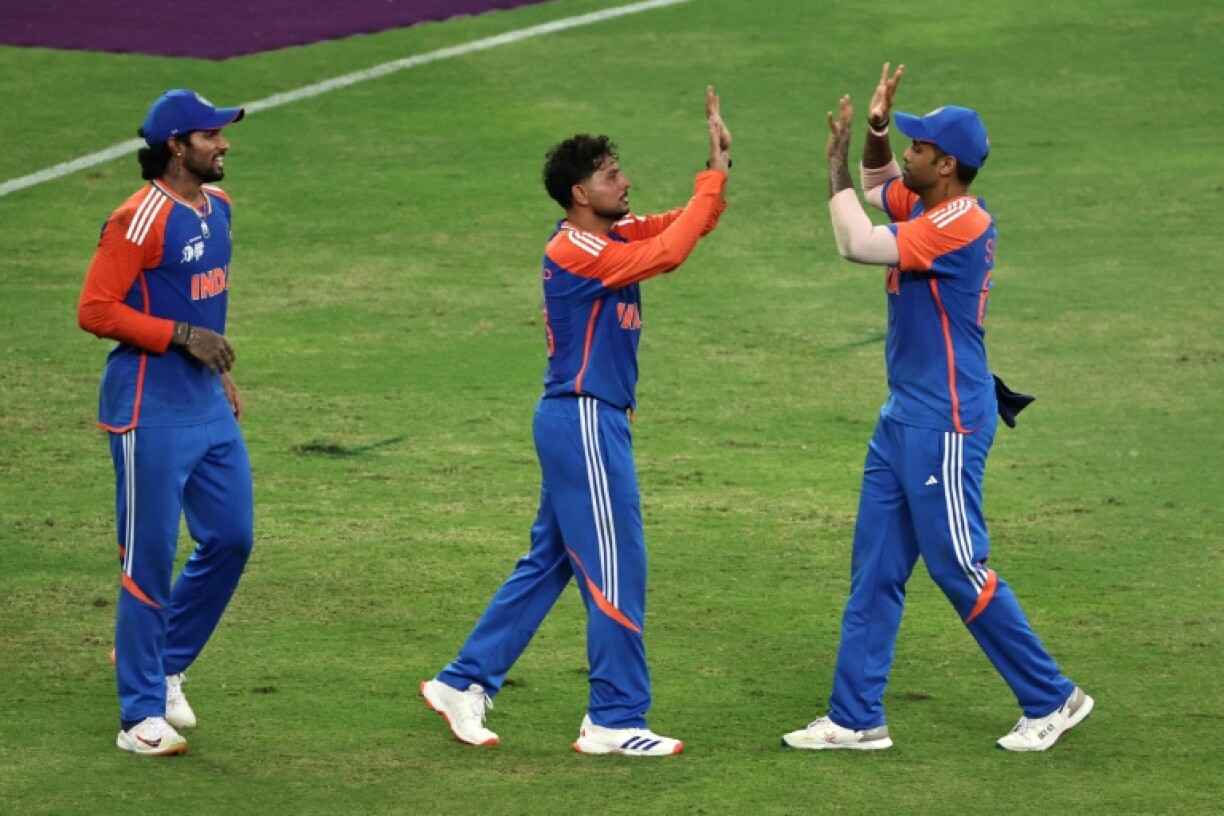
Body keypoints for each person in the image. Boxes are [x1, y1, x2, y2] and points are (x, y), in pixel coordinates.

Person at [781, 64, 1092, 752]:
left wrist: (831, 167)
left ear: (945, 166)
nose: (908, 154)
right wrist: (876, 130)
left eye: (919, 147)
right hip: (904, 419)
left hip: (946, 423)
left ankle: (1053, 697)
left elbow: (854, 240)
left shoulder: (957, 222)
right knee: (876, 569)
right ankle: (856, 717)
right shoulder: (927, 203)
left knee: (958, 566)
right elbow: (874, 183)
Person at [421, 87, 731, 757]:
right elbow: (669, 254)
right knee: (617, 565)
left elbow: (683, 226)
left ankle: (462, 680)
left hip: (585, 421)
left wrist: (717, 172)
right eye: (610, 174)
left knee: (550, 563)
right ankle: (615, 718)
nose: (624, 180)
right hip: (585, 420)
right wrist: (708, 185)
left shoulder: (611, 233)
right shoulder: (574, 251)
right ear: (579, 193)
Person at [77, 89, 254, 757]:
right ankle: (139, 716)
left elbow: (202, 306)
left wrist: (217, 365)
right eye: (212, 134)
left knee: (232, 537)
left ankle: (168, 662)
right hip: (147, 408)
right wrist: (182, 336)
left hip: (205, 402)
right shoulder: (136, 218)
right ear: (177, 147)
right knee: (147, 557)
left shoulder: (220, 207)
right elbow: (95, 310)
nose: (224, 144)